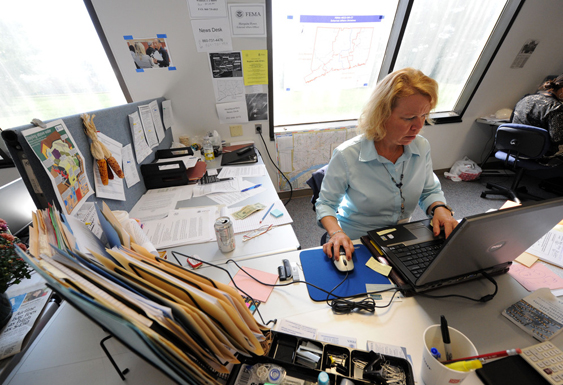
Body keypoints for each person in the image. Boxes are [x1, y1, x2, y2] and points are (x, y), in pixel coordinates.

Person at [315, 67, 459, 261]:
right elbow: (326, 204)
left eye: (424, 115)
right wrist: (336, 233)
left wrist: (439, 208)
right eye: (408, 118)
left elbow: (429, 189)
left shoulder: (421, 147)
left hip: (401, 239)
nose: (418, 126)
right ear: (381, 115)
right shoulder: (347, 155)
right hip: (358, 242)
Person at [511, 74, 563, 162]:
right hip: (540, 152)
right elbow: (557, 138)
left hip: (514, 147)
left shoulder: (526, 98)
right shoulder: (556, 107)